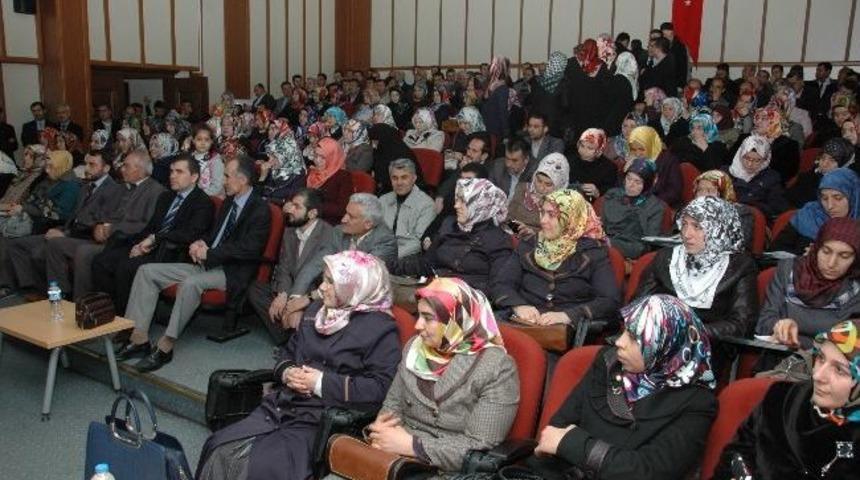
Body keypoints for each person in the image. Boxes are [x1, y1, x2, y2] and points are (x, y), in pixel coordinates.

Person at [197, 250, 402, 480]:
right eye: (323, 279)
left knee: (263, 467)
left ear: (355, 287)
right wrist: (287, 372)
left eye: (331, 282)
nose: (321, 288)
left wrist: (320, 382)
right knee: (218, 446)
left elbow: (381, 388)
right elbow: (288, 352)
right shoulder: (316, 311)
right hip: (281, 405)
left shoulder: (380, 329)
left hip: (324, 421)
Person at [526, 294, 717, 479]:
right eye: (624, 331)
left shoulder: (697, 402)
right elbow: (557, 427)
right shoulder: (608, 361)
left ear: (665, 347)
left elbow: (649, 472)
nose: (619, 342)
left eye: (634, 338)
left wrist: (572, 444)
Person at [121, 156, 271, 372]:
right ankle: (138, 339)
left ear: (243, 179)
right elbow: (216, 235)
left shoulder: (260, 209)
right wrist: (201, 243)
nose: (223, 181)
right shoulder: (229, 202)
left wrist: (210, 253)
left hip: (231, 271)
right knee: (146, 271)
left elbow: (249, 249)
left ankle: (165, 346)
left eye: (227, 176)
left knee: (191, 283)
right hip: (207, 263)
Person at [356, 277, 518, 476]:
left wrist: (414, 446)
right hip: (394, 457)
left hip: (446, 469)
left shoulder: (496, 366)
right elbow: (392, 406)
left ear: (456, 319)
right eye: (418, 315)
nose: (417, 325)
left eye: (428, 318)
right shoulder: (415, 348)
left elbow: (480, 446)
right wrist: (381, 433)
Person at [713, 319, 860, 480]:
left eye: (839, 370)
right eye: (820, 358)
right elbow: (734, 459)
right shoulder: (779, 400)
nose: (818, 375)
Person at [634, 196, 757, 363]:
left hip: (706, 348)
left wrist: (691, 332)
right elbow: (638, 304)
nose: (686, 234)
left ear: (717, 229)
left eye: (697, 227)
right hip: (657, 340)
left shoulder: (740, 266)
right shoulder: (666, 258)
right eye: (684, 224)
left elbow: (742, 324)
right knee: (610, 361)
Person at [91, 154, 213, 318]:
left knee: (126, 267)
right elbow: (151, 228)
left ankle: (123, 319)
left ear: (194, 177)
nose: (172, 176)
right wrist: (138, 244)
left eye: (179, 172)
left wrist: (154, 239)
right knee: (101, 261)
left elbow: (189, 234)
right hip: (151, 247)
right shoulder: (166, 197)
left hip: (173, 253)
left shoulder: (203, 202)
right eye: (171, 171)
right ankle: (105, 312)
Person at [494, 189, 620, 335]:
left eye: (552, 215)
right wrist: (518, 305)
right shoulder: (529, 244)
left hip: (564, 332)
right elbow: (502, 284)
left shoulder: (593, 252)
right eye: (542, 213)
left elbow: (609, 300)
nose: (543, 220)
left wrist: (568, 316)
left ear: (571, 219)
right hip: (521, 324)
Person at [44, 149, 165, 301]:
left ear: (140, 169)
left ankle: (83, 302)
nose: (121, 169)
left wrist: (110, 229)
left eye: (126, 166)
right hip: (102, 237)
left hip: (124, 242)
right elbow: (106, 214)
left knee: (84, 252)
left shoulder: (156, 191)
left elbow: (146, 225)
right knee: (55, 244)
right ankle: (60, 296)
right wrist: (99, 226)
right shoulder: (123, 187)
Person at [246, 188, 338, 344]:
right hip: (291, 287)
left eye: (297, 207)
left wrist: (295, 303)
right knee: (254, 288)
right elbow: (284, 268)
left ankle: (292, 334)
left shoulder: (328, 234)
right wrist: (283, 293)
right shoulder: (289, 231)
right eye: (291, 204)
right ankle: (287, 335)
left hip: (311, 292)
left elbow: (315, 277)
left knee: (313, 305)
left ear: (312, 213)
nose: (290, 210)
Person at [757, 217, 860, 350]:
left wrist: (799, 341)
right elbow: (763, 323)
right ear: (816, 248)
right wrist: (778, 325)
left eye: (844, 256)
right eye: (826, 252)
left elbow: (851, 344)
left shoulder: (855, 288)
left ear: (856, 259)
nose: (831, 263)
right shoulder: (788, 270)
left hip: (829, 361)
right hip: (779, 356)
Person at [396, 178, 512, 295]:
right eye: (457, 200)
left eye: (463, 202)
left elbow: (498, 286)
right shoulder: (450, 225)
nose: (456, 205)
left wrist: (452, 286)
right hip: (434, 287)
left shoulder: (498, 240)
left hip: (465, 297)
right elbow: (427, 263)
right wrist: (392, 266)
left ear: (481, 205)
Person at [0, 150, 84, 297]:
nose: (47, 170)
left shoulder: (71, 185)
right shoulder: (48, 180)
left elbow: (59, 213)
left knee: (11, 241)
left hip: (49, 225)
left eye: (51, 167)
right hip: (35, 221)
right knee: (10, 242)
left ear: (61, 166)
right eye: (46, 166)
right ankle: (25, 285)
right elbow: (32, 200)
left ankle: (22, 286)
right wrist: (24, 207)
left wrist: (27, 208)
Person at [774, 168, 860, 255]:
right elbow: (775, 250)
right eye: (824, 198)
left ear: (853, 198)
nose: (830, 206)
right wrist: (805, 257)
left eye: (838, 198)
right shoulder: (808, 215)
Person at [602, 158, 665, 259]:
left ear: (647, 185)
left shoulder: (655, 207)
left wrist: (611, 243)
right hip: (604, 242)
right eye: (628, 178)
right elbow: (602, 226)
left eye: (637, 182)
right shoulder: (613, 195)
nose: (630, 185)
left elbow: (648, 243)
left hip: (632, 248)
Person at [379, 158, 435, 258]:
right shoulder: (382, 200)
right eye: (395, 178)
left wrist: (388, 257)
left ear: (414, 178)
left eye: (404, 177)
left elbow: (418, 241)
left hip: (409, 257)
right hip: (380, 251)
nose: (399, 182)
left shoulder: (427, 204)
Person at [726, 134, 792, 219]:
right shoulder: (726, 172)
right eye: (747, 158)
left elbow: (778, 207)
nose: (750, 164)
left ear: (765, 160)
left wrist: (753, 206)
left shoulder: (771, 178)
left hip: (752, 219)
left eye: (757, 160)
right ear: (740, 154)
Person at [507, 153, 570, 238]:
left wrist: (533, 234)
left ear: (558, 185)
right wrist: (518, 229)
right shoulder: (522, 189)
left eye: (548, 184)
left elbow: (558, 236)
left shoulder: (563, 205)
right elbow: (508, 218)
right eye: (539, 181)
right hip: (513, 237)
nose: (541, 187)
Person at [333, 193, 398, 270]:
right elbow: (324, 260)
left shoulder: (385, 241)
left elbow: (365, 271)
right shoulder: (338, 231)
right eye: (346, 213)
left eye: (351, 217)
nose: (343, 220)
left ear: (368, 224)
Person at [788, 137, 856, 207]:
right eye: (823, 158)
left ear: (843, 165)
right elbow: (789, 197)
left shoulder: (846, 187)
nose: (824, 164)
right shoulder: (809, 176)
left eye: (832, 160)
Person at [628, 125, 683, 208]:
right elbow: (623, 186)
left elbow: (674, 191)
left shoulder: (669, 160)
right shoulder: (634, 158)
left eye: (642, 148)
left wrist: (650, 203)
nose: (638, 153)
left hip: (660, 204)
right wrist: (626, 169)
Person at [258, 121, 306, 205]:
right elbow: (256, 196)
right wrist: (262, 177)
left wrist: (266, 199)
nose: (270, 161)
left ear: (286, 156)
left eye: (274, 157)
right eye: (270, 156)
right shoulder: (272, 169)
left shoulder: (298, 174)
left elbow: (290, 203)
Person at [307, 137, 353, 225]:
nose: (317, 160)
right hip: (308, 216)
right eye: (316, 155)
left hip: (328, 222)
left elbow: (342, 209)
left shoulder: (343, 177)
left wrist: (315, 208)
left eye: (323, 157)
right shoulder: (312, 172)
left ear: (333, 157)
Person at [368, 122, 419, 194]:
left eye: (375, 141)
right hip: (387, 189)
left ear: (383, 138)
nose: (373, 145)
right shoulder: (381, 150)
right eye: (372, 141)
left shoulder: (402, 154)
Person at [569, 128, 618, 202]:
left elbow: (611, 193)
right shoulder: (570, 160)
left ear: (599, 151)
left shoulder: (609, 168)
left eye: (590, 148)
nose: (584, 150)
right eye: (582, 146)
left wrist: (598, 192)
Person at [488, 137, 537, 202]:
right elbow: (489, 195)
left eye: (514, 160)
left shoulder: (536, 173)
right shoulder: (498, 166)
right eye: (507, 158)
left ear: (526, 160)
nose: (508, 164)